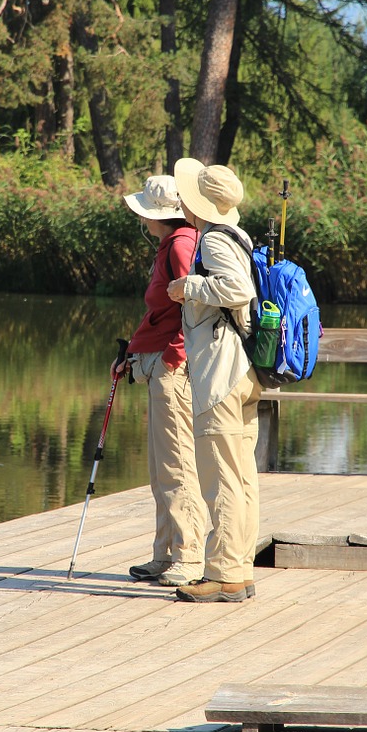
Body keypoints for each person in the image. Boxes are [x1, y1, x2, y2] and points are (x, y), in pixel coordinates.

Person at [167, 158, 261, 603]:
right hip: (244, 372)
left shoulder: (215, 242)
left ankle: (223, 575)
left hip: (222, 376)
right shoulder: (238, 236)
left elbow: (237, 289)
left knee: (221, 478)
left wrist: (187, 287)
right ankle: (238, 569)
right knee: (242, 478)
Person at [119, 175, 208, 587]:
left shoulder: (181, 244)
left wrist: (173, 354)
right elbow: (163, 310)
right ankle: (165, 553)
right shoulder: (169, 244)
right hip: (157, 362)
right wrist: (133, 353)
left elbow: (196, 303)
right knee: (160, 466)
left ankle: (189, 557)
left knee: (176, 464)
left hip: (173, 367)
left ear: (160, 216)